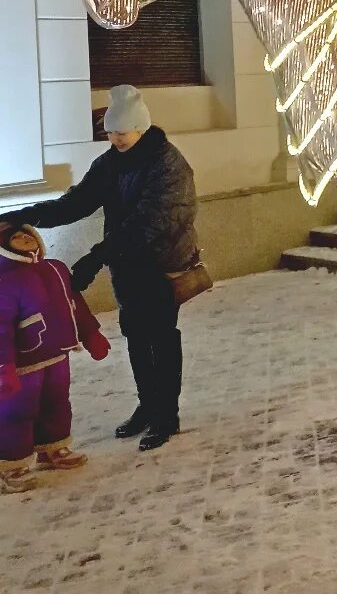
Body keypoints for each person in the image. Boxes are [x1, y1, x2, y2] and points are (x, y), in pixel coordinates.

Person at [0, 85, 197, 452]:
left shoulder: (168, 165)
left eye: (122, 132)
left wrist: (96, 256)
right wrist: (21, 215)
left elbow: (150, 223)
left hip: (160, 264)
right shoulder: (111, 163)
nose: (116, 138)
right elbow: (76, 203)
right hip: (126, 264)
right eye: (111, 132)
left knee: (160, 336)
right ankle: (148, 406)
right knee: (136, 335)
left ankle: (166, 415)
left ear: (141, 128)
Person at [0, 222, 109, 493]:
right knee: (18, 412)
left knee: (56, 403)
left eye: (27, 233)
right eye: (15, 237)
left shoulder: (55, 269)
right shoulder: (5, 281)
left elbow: (75, 303)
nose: (25, 237)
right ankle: (11, 463)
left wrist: (90, 334)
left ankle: (53, 448)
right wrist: (4, 367)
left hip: (57, 353)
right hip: (23, 364)